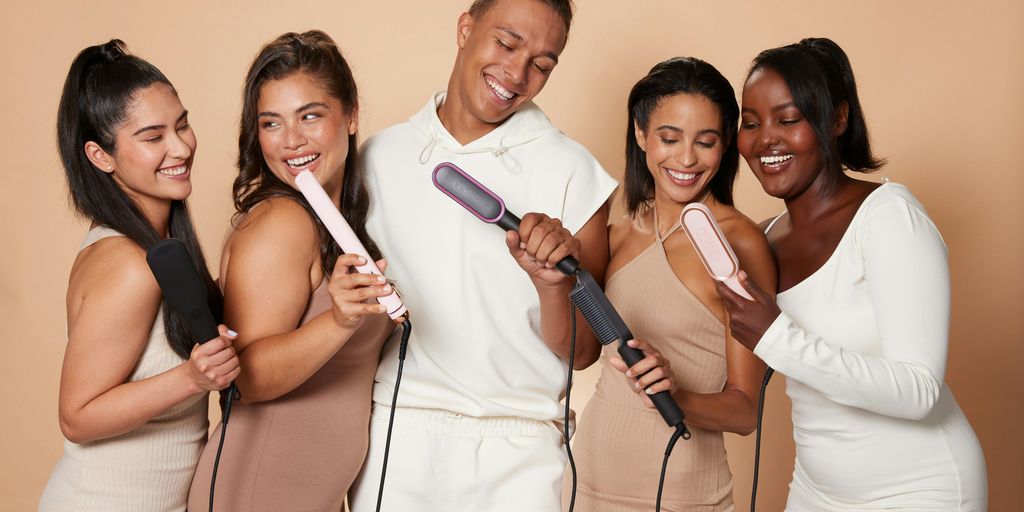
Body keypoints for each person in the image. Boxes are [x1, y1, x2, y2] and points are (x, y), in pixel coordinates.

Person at [347, 1, 618, 510]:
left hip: (521, 449)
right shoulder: (375, 160)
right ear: (465, 28)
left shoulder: (576, 174)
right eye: (507, 43)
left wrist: (552, 284)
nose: (516, 74)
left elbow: (584, 352)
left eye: (542, 64)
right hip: (398, 435)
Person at [719, 37, 988, 510]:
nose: (765, 140)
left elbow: (919, 390)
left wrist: (776, 335)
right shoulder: (762, 240)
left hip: (921, 491)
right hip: (817, 490)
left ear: (837, 119)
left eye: (788, 119)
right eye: (751, 122)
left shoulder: (888, 218)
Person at [187, 31, 395, 511]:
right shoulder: (284, 223)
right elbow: (247, 379)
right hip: (259, 491)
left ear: (351, 114)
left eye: (310, 115)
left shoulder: (338, 223)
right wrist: (339, 321)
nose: (292, 141)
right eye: (271, 123)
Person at [565, 57, 776, 512]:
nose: (685, 159)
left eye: (706, 142)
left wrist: (676, 395)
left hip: (685, 492)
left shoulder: (740, 243)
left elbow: (745, 411)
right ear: (641, 134)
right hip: (588, 479)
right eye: (669, 138)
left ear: (724, 149)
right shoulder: (616, 235)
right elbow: (579, 355)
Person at [40, 40, 240, 512]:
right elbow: (77, 416)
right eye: (153, 137)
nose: (180, 147)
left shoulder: (156, 245)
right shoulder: (129, 264)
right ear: (101, 156)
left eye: (183, 125)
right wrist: (192, 378)